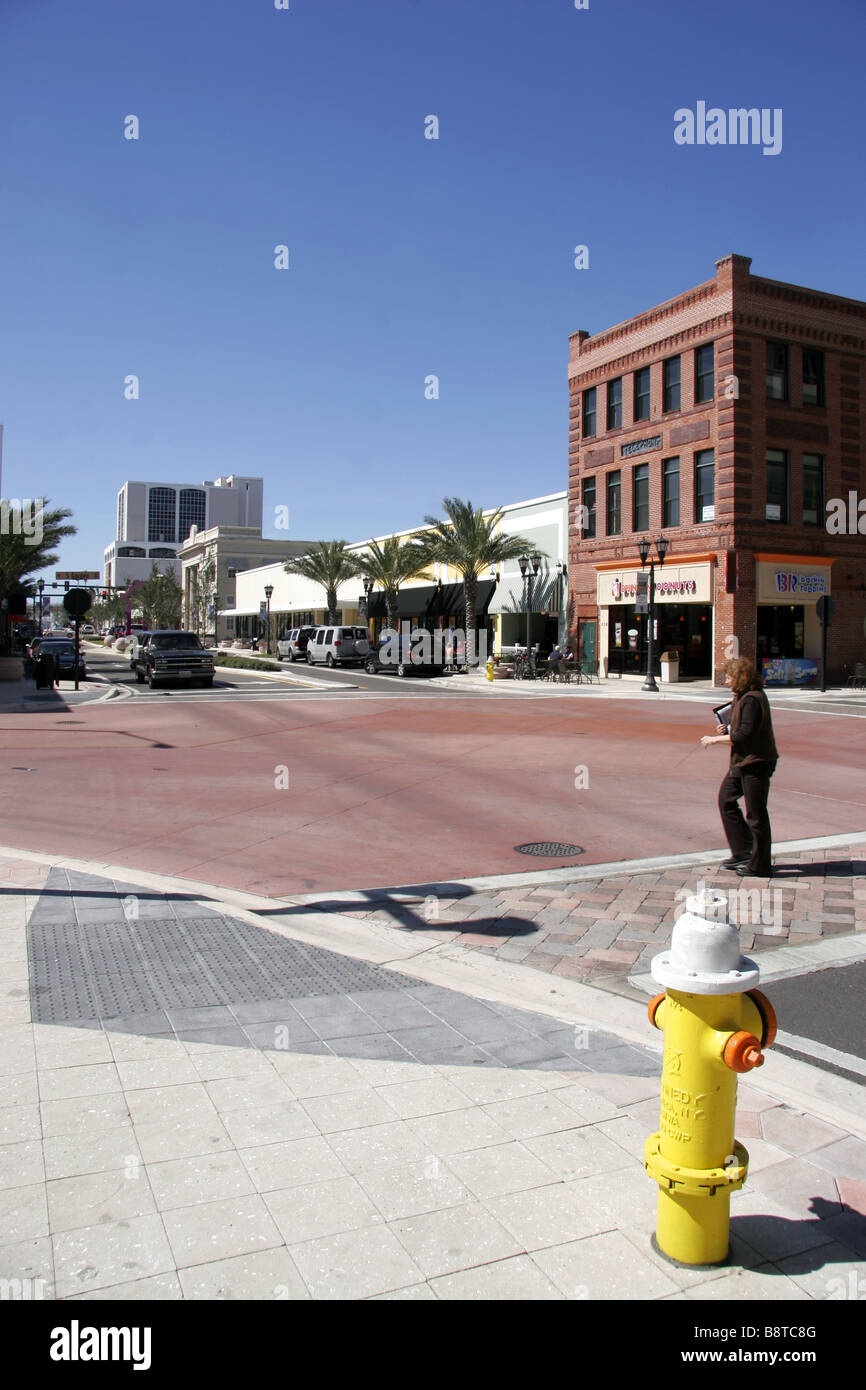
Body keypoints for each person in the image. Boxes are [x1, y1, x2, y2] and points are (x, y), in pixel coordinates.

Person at [701, 656, 779, 877]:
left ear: (741, 677)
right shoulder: (741, 698)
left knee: (756, 814)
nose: (727, 681)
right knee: (726, 800)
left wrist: (714, 740)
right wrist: (725, 729)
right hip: (742, 762)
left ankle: (760, 865)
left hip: (756, 762)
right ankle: (743, 850)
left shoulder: (753, 699)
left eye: (730, 676)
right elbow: (739, 729)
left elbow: (745, 735)